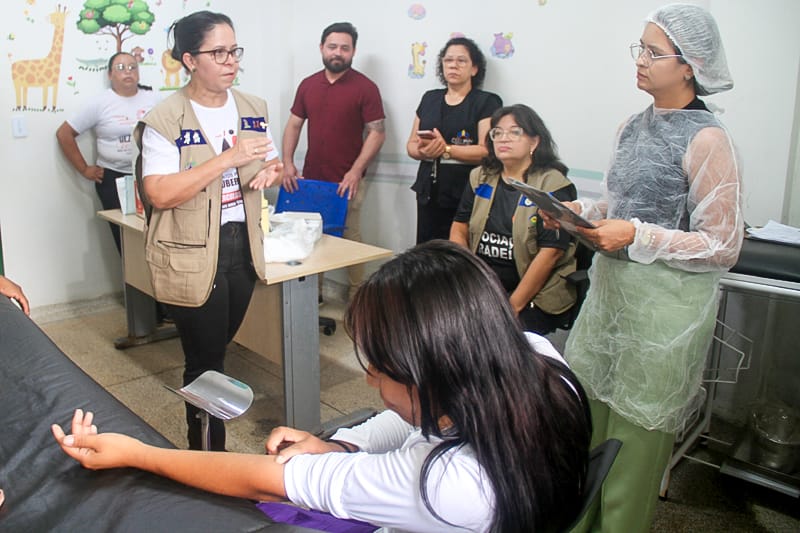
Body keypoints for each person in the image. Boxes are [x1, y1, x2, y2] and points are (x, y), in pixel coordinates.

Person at [52, 240, 592, 533]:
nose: (369, 381)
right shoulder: (536, 357)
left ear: (429, 375)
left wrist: (138, 454)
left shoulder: (443, 486)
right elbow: (401, 422)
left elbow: (267, 480)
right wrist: (339, 446)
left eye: (377, 371)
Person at [542, 5, 743, 531]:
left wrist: (638, 236)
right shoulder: (631, 128)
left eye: (654, 53)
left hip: (664, 317)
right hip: (611, 301)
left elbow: (722, 245)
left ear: (690, 66)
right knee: (589, 429)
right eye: (641, 48)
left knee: (634, 446)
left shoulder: (709, 140)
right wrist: (578, 213)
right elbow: (619, 206)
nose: (641, 60)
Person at [132, 11, 282, 451]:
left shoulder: (253, 107)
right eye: (218, 52)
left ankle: (208, 452)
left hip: (242, 246)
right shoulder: (166, 119)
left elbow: (269, 160)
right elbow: (159, 192)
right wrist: (226, 159)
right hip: (191, 252)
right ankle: (206, 454)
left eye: (234, 50)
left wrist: (270, 171)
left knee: (217, 351)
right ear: (189, 60)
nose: (231, 60)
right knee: (204, 363)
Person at [450, 104, 577, 334]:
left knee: (494, 337)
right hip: (485, 286)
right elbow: (459, 227)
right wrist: (470, 278)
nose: (503, 138)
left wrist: (511, 307)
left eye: (514, 132)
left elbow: (551, 253)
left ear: (534, 142)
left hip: (534, 294)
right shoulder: (480, 177)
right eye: (497, 132)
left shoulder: (552, 184)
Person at [281, 22, 385, 297]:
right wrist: (288, 163)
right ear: (322, 48)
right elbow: (294, 125)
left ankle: (358, 295)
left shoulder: (366, 88)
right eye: (332, 46)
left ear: (353, 51)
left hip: (347, 181)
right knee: (311, 237)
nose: (338, 52)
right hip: (311, 180)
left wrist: (356, 171)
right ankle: (311, 297)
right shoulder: (308, 85)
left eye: (344, 48)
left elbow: (377, 133)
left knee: (350, 236)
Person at [56, 52, 159, 254]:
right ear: (110, 75)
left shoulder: (154, 99)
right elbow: (64, 134)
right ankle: (131, 275)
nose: (128, 71)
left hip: (149, 175)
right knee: (125, 239)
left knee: (154, 234)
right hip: (114, 179)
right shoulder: (100, 103)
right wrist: (84, 169)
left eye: (132, 67)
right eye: (120, 68)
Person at [407, 36, 502, 243]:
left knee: (459, 251)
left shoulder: (486, 102)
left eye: (461, 61)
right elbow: (411, 145)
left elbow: (486, 150)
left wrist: (446, 149)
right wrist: (423, 152)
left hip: (466, 190)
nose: (453, 65)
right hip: (428, 190)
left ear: (474, 69)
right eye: (448, 60)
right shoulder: (430, 98)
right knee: (426, 250)